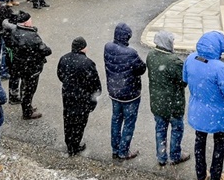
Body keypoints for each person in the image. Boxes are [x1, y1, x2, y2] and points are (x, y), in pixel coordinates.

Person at [184, 30, 224, 180]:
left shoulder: (191, 58)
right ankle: (216, 178)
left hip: (197, 111)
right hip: (218, 114)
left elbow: (186, 79)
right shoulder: (220, 68)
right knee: (220, 144)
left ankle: (201, 177)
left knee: (199, 142)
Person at [146, 31, 190, 167]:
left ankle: (161, 156)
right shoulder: (174, 61)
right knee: (176, 129)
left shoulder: (150, 55)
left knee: (160, 129)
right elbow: (183, 82)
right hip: (173, 104)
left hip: (157, 102)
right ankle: (175, 155)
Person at [103, 22, 146, 160]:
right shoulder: (131, 53)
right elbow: (141, 69)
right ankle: (123, 151)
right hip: (130, 94)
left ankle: (115, 149)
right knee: (129, 122)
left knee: (116, 119)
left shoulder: (107, 47)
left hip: (114, 92)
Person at [56, 36, 102, 156]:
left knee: (68, 120)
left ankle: (69, 143)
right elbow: (95, 83)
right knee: (80, 123)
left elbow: (60, 75)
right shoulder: (88, 63)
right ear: (83, 48)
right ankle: (75, 145)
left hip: (67, 95)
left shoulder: (64, 58)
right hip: (82, 98)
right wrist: (94, 97)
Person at [2, 11, 52, 120]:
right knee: (29, 89)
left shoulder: (14, 31)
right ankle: (27, 112)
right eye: (30, 20)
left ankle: (27, 106)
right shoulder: (31, 36)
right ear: (25, 23)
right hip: (31, 67)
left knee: (24, 87)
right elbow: (46, 51)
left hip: (20, 65)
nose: (32, 21)